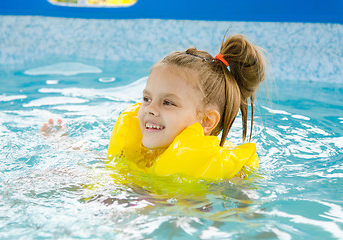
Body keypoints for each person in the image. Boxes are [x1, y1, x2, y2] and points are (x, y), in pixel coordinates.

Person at [107, 34, 267, 181]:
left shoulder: (226, 175)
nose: (150, 109)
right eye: (147, 98)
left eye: (168, 102)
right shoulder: (141, 151)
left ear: (206, 120)